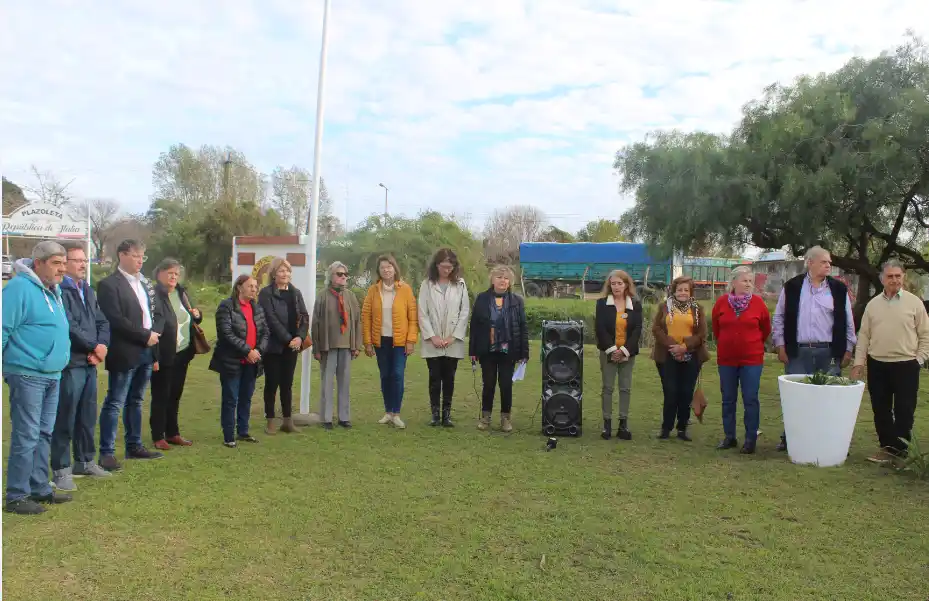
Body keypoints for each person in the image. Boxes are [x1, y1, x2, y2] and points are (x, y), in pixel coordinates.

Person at [2, 241, 73, 514]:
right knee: (27, 434)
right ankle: (16, 495)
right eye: (56, 263)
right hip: (27, 373)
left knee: (44, 434)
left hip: (52, 374)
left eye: (64, 263)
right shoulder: (19, 288)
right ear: (38, 263)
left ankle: (39, 487)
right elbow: (3, 327)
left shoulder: (54, 290)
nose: (62, 269)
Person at [771, 246, 856, 452]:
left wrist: (849, 348)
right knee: (796, 396)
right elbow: (779, 317)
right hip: (798, 352)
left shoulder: (838, 289)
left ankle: (828, 439)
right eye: (824, 262)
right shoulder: (792, 287)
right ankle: (791, 438)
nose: (829, 265)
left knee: (829, 397)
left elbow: (848, 320)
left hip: (829, 352)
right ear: (810, 263)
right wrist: (780, 344)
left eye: (829, 262)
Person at [851, 260, 929, 463]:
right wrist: (859, 363)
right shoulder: (873, 305)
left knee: (905, 410)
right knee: (881, 409)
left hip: (907, 365)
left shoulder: (915, 303)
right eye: (890, 276)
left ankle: (900, 451)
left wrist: (919, 359)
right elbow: (864, 335)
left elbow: (925, 334)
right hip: (877, 364)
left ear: (903, 277)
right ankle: (886, 448)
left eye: (898, 276)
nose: (894, 280)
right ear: (882, 279)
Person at [97, 239, 165, 470]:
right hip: (125, 350)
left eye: (142, 257)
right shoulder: (109, 285)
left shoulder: (145, 283)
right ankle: (106, 452)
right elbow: (116, 319)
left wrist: (154, 334)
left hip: (147, 349)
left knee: (136, 400)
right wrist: (144, 335)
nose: (140, 261)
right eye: (135, 256)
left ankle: (134, 446)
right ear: (122, 255)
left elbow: (157, 313)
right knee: (115, 401)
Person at [50, 242, 112, 493]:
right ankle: (61, 469)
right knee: (65, 417)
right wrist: (93, 347)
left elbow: (102, 321)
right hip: (72, 363)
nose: (83, 264)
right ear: (65, 264)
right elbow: (69, 326)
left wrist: (102, 346)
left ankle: (85, 461)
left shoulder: (87, 289)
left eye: (85, 260)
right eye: (77, 260)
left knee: (87, 416)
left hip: (89, 363)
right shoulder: (60, 290)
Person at [712, 266, 772, 454]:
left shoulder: (758, 303)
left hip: (752, 360)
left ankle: (750, 439)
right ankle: (729, 437)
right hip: (727, 360)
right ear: (734, 282)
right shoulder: (721, 303)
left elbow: (765, 329)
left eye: (750, 281)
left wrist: (751, 343)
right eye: (744, 280)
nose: (748, 284)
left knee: (750, 398)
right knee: (728, 399)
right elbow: (716, 329)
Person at [209, 275, 269, 448]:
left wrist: (257, 351)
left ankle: (243, 431)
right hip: (231, 361)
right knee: (230, 398)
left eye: (255, 286)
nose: (254, 289)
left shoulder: (257, 308)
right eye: (250, 286)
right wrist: (247, 351)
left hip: (252, 362)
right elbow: (226, 333)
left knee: (246, 397)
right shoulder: (226, 306)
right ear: (239, 287)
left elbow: (266, 332)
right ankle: (229, 436)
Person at [469, 265, 530, 432]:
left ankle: (505, 419)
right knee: (488, 384)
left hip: (508, 350)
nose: (502, 280)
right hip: (487, 349)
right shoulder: (482, 299)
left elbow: (523, 327)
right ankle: (485, 417)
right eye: (499, 277)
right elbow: (474, 326)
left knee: (506, 385)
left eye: (506, 278)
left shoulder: (517, 301)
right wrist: (473, 351)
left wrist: (524, 352)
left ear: (510, 282)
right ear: (492, 280)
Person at [149, 259, 203, 450]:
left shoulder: (181, 293)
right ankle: (158, 435)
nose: (173, 277)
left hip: (183, 352)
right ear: (159, 274)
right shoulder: (154, 295)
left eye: (176, 274)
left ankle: (172, 433)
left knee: (175, 394)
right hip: (164, 353)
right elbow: (151, 325)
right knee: (161, 395)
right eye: (170, 273)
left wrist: (197, 314)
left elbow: (190, 317)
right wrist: (153, 356)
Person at [362, 255, 418, 429]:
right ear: (379, 271)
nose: (386, 270)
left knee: (397, 375)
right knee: (385, 375)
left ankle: (396, 413)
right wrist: (368, 342)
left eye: (389, 266)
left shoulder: (405, 290)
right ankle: (388, 412)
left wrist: (411, 340)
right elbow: (366, 317)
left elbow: (413, 317)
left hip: (400, 342)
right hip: (381, 341)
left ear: (395, 268)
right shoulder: (373, 291)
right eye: (383, 267)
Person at [652, 276, 708, 441]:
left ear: (690, 292)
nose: (682, 293)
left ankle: (682, 428)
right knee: (670, 392)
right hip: (667, 355)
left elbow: (702, 334)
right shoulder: (664, 307)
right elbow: (656, 329)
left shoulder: (697, 309)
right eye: (679, 290)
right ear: (674, 291)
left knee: (686, 392)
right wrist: (673, 346)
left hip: (691, 355)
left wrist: (684, 346)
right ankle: (666, 428)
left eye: (686, 290)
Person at [418, 248, 470, 427]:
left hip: (452, 341)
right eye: (443, 266)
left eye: (450, 267)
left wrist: (453, 337)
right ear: (436, 265)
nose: (447, 270)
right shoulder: (427, 284)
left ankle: (446, 414)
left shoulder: (460, 284)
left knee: (449, 378)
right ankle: (435, 414)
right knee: (434, 378)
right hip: (432, 340)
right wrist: (432, 336)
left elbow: (464, 312)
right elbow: (422, 312)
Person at [258, 258, 310, 435]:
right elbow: (271, 319)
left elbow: (304, 317)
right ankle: (270, 421)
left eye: (287, 270)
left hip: (292, 346)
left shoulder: (295, 292)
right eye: (281, 271)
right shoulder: (266, 294)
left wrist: (299, 338)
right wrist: (288, 339)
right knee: (272, 383)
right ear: (274, 274)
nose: (285, 274)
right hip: (273, 346)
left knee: (287, 384)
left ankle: (288, 421)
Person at [311, 262, 363, 429]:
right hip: (328, 346)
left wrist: (357, 345)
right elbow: (315, 324)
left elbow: (357, 321)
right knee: (327, 382)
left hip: (347, 345)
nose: (343, 277)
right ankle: (326, 418)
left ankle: (344, 417)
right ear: (331, 276)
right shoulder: (322, 296)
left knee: (344, 382)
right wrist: (316, 348)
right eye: (339, 274)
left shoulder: (350, 296)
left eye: (345, 274)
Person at [594, 269, 643, 440]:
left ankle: (623, 425)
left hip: (628, 353)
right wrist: (612, 350)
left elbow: (637, 329)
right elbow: (600, 328)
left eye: (619, 283)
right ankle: (607, 425)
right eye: (613, 283)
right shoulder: (602, 304)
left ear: (626, 285)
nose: (616, 287)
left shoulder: (635, 304)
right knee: (607, 388)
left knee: (625, 388)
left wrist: (624, 351)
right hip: (608, 352)